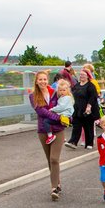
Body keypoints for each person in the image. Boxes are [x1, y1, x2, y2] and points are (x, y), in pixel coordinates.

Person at [29, 70, 64, 201]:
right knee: (50, 159)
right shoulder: (33, 96)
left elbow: (65, 104)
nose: (43, 82)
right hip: (44, 130)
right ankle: (58, 182)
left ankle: (54, 188)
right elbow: (41, 111)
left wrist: (67, 118)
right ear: (36, 81)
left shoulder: (55, 92)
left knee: (54, 158)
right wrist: (57, 117)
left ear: (47, 80)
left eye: (45, 79)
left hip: (58, 129)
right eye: (40, 80)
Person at [66, 70, 100, 150]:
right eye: (80, 75)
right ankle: (73, 142)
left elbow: (93, 97)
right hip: (77, 109)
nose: (81, 76)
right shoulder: (77, 85)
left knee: (88, 127)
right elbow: (72, 95)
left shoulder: (90, 86)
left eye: (83, 75)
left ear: (88, 76)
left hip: (87, 110)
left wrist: (89, 106)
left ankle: (89, 143)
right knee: (76, 126)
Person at [45, 79, 74, 145]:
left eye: (64, 90)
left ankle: (50, 136)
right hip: (63, 115)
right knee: (56, 124)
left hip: (65, 116)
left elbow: (61, 107)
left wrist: (52, 109)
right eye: (60, 90)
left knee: (46, 121)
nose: (62, 92)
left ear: (67, 90)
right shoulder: (63, 97)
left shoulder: (67, 98)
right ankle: (62, 137)